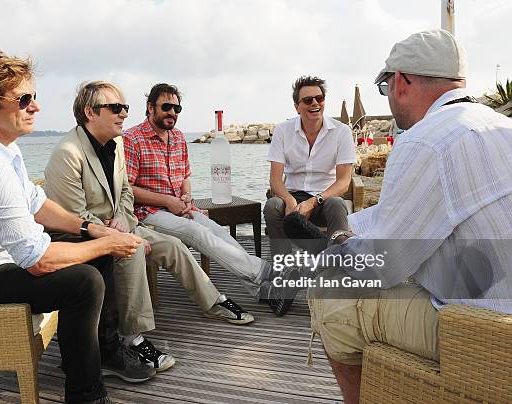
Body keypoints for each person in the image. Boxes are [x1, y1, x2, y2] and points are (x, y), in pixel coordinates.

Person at [0, 50, 145, 404]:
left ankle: (100, 354)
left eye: (33, 97)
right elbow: (37, 260)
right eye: (24, 99)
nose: (35, 107)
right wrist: (109, 243)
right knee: (83, 282)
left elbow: (36, 203)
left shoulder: (0, 148)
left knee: (93, 256)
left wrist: (91, 229)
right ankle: (86, 394)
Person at [308, 29, 512, 403]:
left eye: (384, 89)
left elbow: (383, 266)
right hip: (500, 295)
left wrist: (336, 248)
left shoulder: (422, 140)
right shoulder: (503, 126)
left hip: (485, 331)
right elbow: (411, 214)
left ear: (400, 81)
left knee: (330, 287)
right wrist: (353, 228)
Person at [44, 81, 254, 368]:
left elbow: (126, 194)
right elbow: (73, 216)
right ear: (89, 112)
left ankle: (212, 302)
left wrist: (123, 220)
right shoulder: (69, 153)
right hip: (82, 237)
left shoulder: (115, 144)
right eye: (115, 108)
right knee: (131, 253)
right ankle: (133, 338)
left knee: (174, 245)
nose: (123, 115)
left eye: (125, 108)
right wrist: (116, 234)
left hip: (119, 224)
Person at [123, 83, 276, 306]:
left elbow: (185, 175)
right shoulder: (132, 139)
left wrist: (186, 197)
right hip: (148, 213)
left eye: (177, 109)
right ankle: (264, 272)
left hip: (181, 208)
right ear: (150, 107)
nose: (172, 113)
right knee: (196, 231)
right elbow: (127, 189)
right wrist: (168, 201)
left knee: (218, 233)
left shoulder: (177, 137)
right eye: (166, 107)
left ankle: (261, 291)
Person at [263, 76, 356, 260]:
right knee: (273, 206)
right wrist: (289, 201)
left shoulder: (342, 131)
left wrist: (313, 202)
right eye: (307, 100)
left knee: (337, 204)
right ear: (297, 106)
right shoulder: (282, 131)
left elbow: (344, 182)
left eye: (319, 98)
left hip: (326, 197)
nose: (315, 103)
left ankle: (336, 261)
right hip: (293, 196)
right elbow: (275, 179)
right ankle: (284, 265)